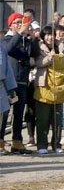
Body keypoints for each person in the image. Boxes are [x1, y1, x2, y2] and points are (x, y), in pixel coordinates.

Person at [2, 12, 36, 154]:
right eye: (16, 22)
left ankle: (17, 141)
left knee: (19, 113)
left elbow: (29, 56)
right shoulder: (6, 39)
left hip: (22, 80)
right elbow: (8, 50)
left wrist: (32, 39)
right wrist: (19, 35)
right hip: (9, 82)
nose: (20, 25)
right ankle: (1, 140)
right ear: (10, 25)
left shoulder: (24, 39)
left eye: (21, 22)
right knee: (4, 113)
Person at [32, 28, 64, 154]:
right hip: (44, 85)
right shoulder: (38, 47)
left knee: (57, 119)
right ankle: (42, 144)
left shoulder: (62, 48)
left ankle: (56, 144)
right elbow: (37, 62)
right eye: (47, 35)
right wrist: (49, 58)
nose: (50, 38)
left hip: (60, 86)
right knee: (43, 118)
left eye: (52, 35)